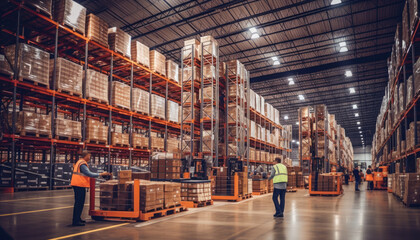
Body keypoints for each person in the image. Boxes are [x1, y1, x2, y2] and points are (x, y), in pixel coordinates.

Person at [70, 150, 110, 226]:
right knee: (79, 203)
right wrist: (101, 174)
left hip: (78, 184)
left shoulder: (80, 162)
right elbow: (89, 174)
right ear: (85, 156)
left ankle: (78, 219)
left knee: (80, 203)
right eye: (89, 156)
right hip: (79, 185)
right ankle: (75, 221)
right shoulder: (82, 164)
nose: (90, 158)